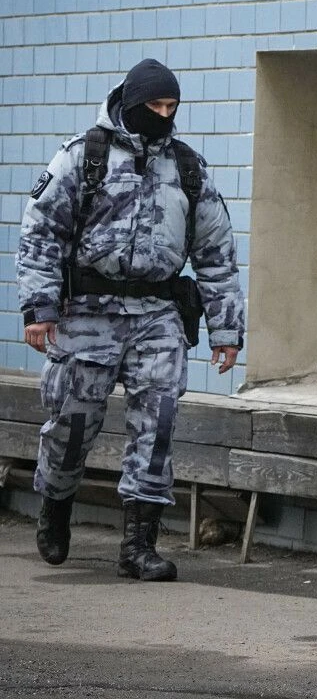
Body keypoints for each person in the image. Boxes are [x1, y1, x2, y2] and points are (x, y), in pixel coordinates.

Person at [18, 58, 245, 582]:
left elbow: (216, 252)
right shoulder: (84, 157)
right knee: (72, 425)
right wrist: (39, 308)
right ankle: (55, 506)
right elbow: (41, 233)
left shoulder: (188, 168)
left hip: (158, 315)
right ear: (132, 102)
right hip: (87, 313)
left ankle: (139, 544)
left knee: (158, 426)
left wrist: (227, 329)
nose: (163, 116)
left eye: (171, 108)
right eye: (154, 107)